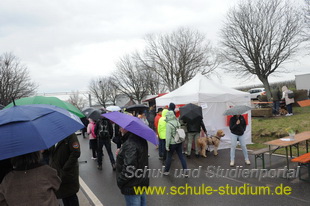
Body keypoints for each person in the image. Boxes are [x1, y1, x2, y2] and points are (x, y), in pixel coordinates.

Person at [115, 127, 149, 206]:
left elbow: (129, 168)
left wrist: (120, 181)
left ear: (126, 128)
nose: (119, 130)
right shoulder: (141, 139)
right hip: (141, 181)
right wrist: (122, 151)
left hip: (132, 186)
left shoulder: (130, 144)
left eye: (121, 127)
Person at [49, 133, 81, 206]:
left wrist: (65, 169)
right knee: (64, 196)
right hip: (58, 172)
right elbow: (52, 154)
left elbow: (76, 152)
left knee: (71, 196)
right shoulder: (52, 136)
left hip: (68, 172)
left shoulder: (70, 135)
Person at [163, 110, 188, 177]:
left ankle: (166, 171)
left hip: (172, 143)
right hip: (178, 141)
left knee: (169, 157)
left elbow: (168, 137)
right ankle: (185, 172)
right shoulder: (177, 122)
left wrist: (167, 146)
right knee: (181, 156)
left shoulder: (168, 124)